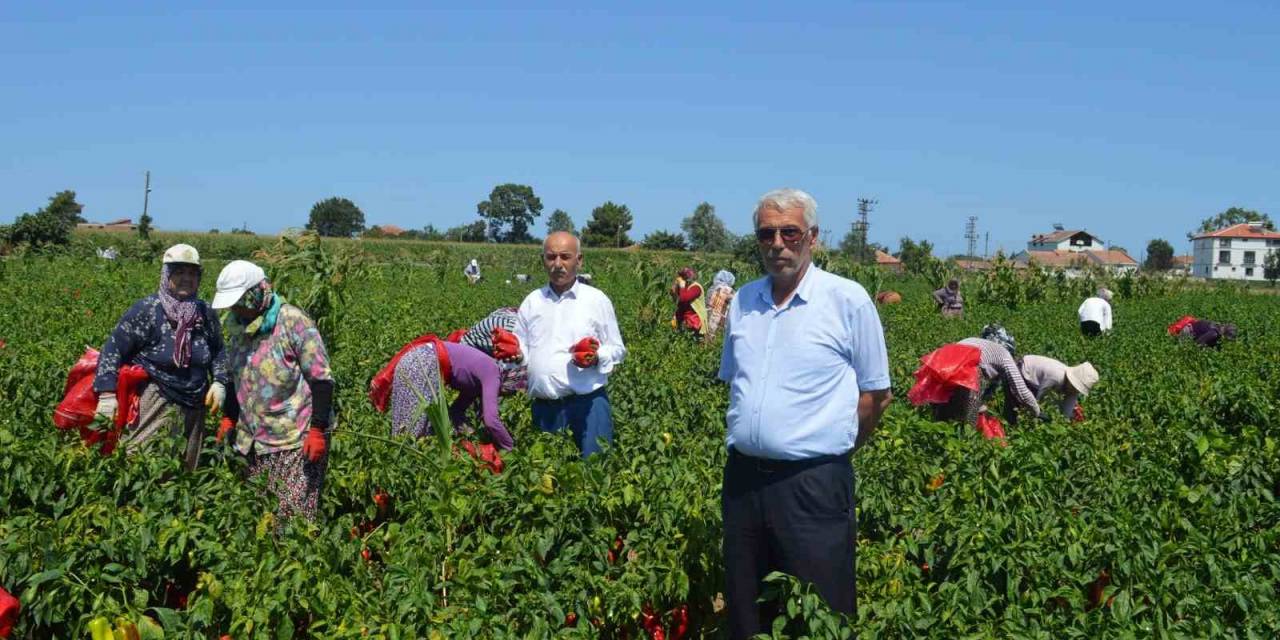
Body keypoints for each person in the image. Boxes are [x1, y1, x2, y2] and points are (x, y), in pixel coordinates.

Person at [718, 188, 892, 638]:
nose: (777, 243)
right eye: (766, 233)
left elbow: (876, 395)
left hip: (812, 485)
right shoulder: (743, 301)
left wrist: (829, 450)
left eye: (789, 232)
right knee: (745, 606)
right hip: (743, 482)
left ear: (812, 237)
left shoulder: (847, 300)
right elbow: (736, 383)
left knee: (821, 609)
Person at [211, 260, 335, 522]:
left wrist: (317, 429)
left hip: (294, 438)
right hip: (252, 441)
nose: (236, 308)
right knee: (261, 517)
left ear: (256, 293)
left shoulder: (293, 322)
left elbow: (322, 380)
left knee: (292, 521)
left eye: (240, 301)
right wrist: (229, 417)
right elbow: (236, 379)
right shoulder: (238, 328)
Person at [92, 244, 228, 471]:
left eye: (192, 273)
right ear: (167, 276)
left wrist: (219, 381)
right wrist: (107, 394)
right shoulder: (148, 309)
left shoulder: (205, 313)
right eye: (179, 272)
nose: (187, 278)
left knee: (183, 468)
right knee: (140, 461)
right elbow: (113, 348)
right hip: (156, 397)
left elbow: (218, 350)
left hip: (195, 402)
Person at [491, 232, 626, 458]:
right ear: (542, 260)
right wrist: (517, 355)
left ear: (579, 260)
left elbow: (618, 349)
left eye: (565, 257)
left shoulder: (596, 300)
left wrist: (596, 356)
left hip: (588, 404)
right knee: (547, 479)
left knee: (594, 473)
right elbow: (522, 348)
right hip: (545, 408)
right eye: (551, 257)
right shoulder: (533, 301)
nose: (558, 264)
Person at [382, 337, 516, 449]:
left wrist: (469, 435)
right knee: (418, 428)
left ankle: (403, 456)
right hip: (424, 362)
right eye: (504, 393)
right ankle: (407, 459)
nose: (499, 395)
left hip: (416, 357)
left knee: (407, 424)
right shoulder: (493, 373)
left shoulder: (476, 384)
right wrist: (510, 447)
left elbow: (456, 411)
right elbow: (491, 420)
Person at [934, 336, 1041, 426]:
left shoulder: (978, 342)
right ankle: (963, 442)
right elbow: (1021, 391)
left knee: (942, 409)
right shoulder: (1005, 356)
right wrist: (1037, 412)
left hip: (943, 361)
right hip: (968, 370)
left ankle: (939, 434)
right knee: (968, 419)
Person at [455, 306, 527, 395]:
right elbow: (508, 359)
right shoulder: (514, 328)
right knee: (520, 378)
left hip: (468, 349)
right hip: (465, 357)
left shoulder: (512, 313)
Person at [1018, 356, 1098, 422]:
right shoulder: (1056, 376)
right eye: (1075, 387)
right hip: (1025, 371)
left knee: (1053, 406)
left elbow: (1067, 413)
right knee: (1028, 405)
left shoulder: (1073, 389)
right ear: (1071, 381)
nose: (1075, 391)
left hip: (1041, 382)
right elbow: (1039, 398)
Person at [670, 267, 708, 337]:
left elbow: (684, 298)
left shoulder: (696, 287)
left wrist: (682, 286)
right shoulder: (685, 287)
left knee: (692, 341)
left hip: (695, 321)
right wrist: (675, 287)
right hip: (684, 319)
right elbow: (676, 299)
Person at [704, 270, 736, 340]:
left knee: (704, 339)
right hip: (719, 321)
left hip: (706, 317)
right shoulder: (729, 291)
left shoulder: (711, 288)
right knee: (714, 341)